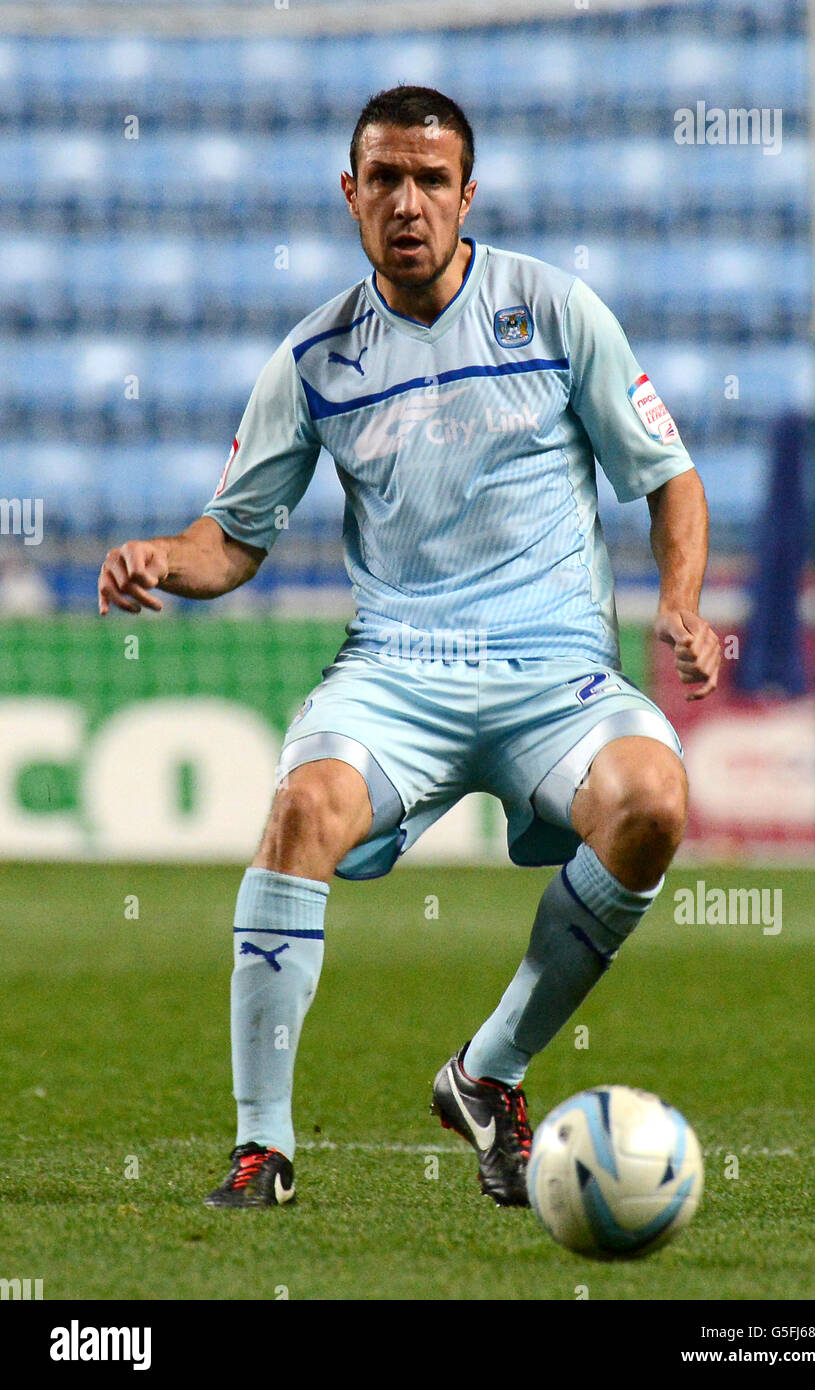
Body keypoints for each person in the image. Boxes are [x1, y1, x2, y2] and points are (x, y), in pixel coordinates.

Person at [97, 85, 720, 1211]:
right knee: (299, 812)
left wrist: (678, 600)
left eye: (431, 179)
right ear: (349, 194)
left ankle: (488, 1070)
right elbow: (230, 541)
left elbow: (668, 476)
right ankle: (263, 1147)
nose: (407, 201)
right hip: (399, 672)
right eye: (383, 177)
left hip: (552, 672)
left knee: (652, 802)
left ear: (467, 193)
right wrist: (159, 559)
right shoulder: (314, 361)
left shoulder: (553, 307)